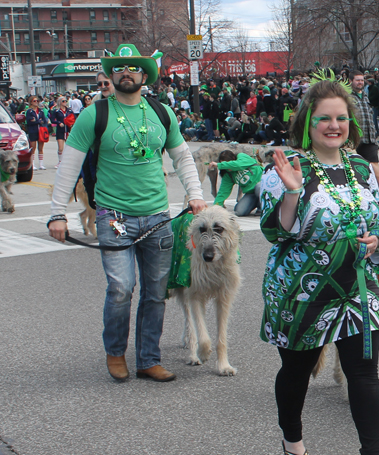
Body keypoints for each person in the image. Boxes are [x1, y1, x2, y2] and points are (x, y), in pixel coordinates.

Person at [259, 78, 379, 455]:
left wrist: (375, 240)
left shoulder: (362, 167)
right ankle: (293, 440)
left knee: (364, 373)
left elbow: (376, 221)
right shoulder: (288, 165)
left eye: (341, 118)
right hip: (302, 287)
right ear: (308, 121)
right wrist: (290, 192)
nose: (334, 125)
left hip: (356, 286)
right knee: (297, 370)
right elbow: (278, 232)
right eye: (324, 117)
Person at [47, 43, 206, 383]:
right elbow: (69, 164)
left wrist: (196, 195)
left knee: (156, 291)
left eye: (134, 67)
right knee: (121, 287)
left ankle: (148, 359)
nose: (127, 72)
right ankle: (116, 352)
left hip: (158, 218)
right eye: (119, 68)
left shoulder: (162, 112)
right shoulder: (95, 113)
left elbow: (182, 157)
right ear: (111, 74)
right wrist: (56, 213)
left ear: (145, 74)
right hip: (114, 217)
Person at [350, 70, 379, 200]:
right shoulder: (347, 97)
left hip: (369, 136)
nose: (360, 82)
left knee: (374, 162)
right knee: (351, 163)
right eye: (357, 80)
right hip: (354, 137)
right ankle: (353, 190)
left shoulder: (365, 95)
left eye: (362, 80)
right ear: (351, 81)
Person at [210, 150, 263, 216]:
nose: (227, 168)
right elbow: (223, 192)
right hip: (251, 193)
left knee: (259, 187)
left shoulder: (241, 156)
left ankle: (262, 209)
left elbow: (238, 165)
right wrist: (215, 208)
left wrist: (218, 165)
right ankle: (258, 202)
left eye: (227, 164)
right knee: (239, 211)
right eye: (225, 166)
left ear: (233, 158)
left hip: (263, 185)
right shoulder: (228, 175)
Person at [26, 95, 49, 171]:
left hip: (41, 130)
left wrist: (36, 120)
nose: (36, 102)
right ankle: (32, 164)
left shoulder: (41, 111)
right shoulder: (29, 111)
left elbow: (44, 120)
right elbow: (29, 121)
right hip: (33, 130)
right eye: (34, 101)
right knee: (33, 148)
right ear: (31, 102)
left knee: (41, 148)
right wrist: (38, 121)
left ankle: (41, 164)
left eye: (37, 101)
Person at [53, 96, 74, 168]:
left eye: (66, 101)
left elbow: (74, 118)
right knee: (60, 148)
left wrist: (71, 123)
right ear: (59, 102)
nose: (65, 102)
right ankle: (60, 161)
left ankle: (68, 162)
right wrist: (58, 122)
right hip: (60, 130)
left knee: (69, 147)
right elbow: (52, 120)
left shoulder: (69, 110)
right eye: (63, 101)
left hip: (68, 130)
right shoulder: (56, 111)